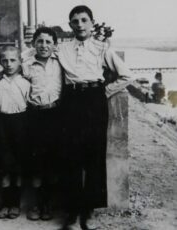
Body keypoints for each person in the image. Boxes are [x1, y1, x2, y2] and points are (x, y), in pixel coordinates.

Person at [57, 5, 133, 230]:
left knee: (93, 155)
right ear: (70, 25)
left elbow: (126, 75)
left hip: (94, 100)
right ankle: (71, 212)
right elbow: (31, 55)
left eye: (84, 20)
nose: (80, 25)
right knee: (70, 155)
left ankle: (88, 211)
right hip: (70, 100)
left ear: (91, 23)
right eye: (75, 21)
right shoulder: (62, 48)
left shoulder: (102, 48)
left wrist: (105, 92)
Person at [23, 27, 63, 221]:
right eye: (40, 41)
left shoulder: (60, 63)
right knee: (36, 163)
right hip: (35, 116)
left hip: (56, 115)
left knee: (53, 162)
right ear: (33, 44)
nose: (44, 45)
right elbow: (12, 74)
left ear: (54, 45)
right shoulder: (27, 65)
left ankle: (48, 204)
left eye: (48, 42)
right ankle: (36, 204)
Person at [0, 46, 30, 219]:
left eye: (13, 60)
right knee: (5, 165)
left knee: (19, 166)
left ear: (20, 62)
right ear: (0, 62)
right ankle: (6, 203)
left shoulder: (26, 82)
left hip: (21, 123)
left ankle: (15, 204)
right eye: (4, 60)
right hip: (1, 123)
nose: (8, 64)